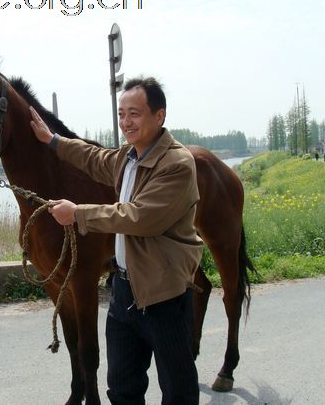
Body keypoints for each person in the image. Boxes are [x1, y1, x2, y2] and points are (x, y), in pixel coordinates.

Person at [30, 77, 202, 404]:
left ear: (159, 116)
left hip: (163, 294)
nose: (126, 122)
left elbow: (138, 217)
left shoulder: (177, 165)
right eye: (122, 114)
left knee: (178, 391)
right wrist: (53, 141)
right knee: (121, 389)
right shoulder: (128, 157)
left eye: (134, 113)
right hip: (123, 293)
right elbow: (93, 159)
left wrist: (78, 214)